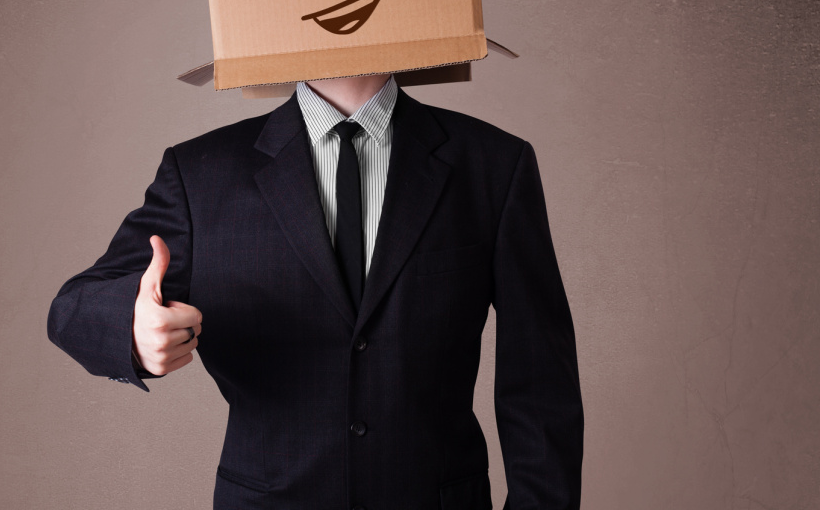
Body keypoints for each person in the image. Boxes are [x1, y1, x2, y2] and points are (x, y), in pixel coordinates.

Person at [47, 71, 584, 510]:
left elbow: (539, 377)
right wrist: (133, 333)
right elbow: (73, 308)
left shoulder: (492, 164)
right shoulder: (202, 172)